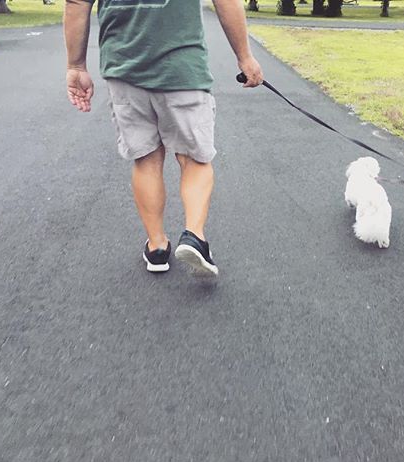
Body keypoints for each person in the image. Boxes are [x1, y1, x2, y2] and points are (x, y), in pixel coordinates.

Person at [63, 0, 263, 276]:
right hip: (182, 67)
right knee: (194, 159)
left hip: (124, 67)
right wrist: (245, 57)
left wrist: (76, 66)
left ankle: (157, 246)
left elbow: (76, 2)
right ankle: (194, 236)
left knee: (146, 160)